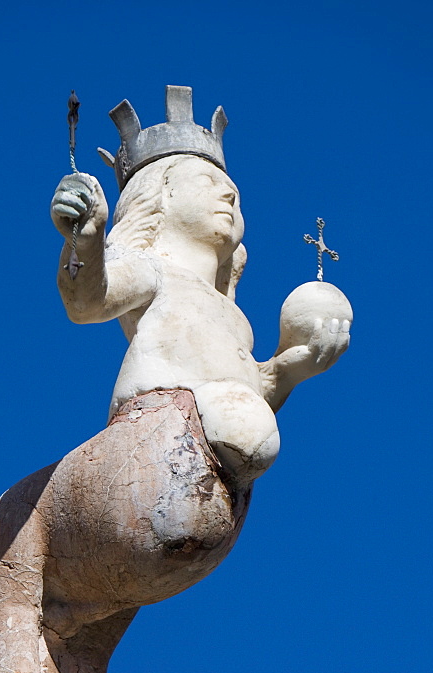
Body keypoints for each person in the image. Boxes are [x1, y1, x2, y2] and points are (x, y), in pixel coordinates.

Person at [51, 153, 351, 485]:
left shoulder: (236, 318)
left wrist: (291, 370)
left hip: (218, 474)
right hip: (157, 432)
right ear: (162, 196)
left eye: (235, 197)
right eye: (208, 182)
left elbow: (246, 387)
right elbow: (87, 302)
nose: (230, 197)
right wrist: (88, 238)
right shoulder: (155, 269)